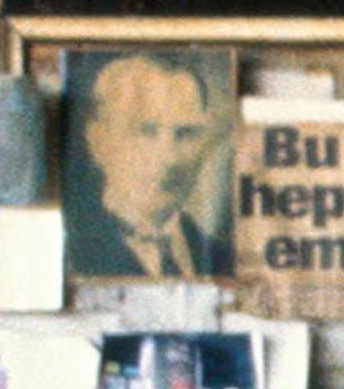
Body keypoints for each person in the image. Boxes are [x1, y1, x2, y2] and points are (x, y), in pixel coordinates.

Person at [66, 54, 229, 277]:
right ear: (97, 141)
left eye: (186, 133)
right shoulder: (66, 253)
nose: (170, 158)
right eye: (146, 131)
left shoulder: (225, 259)